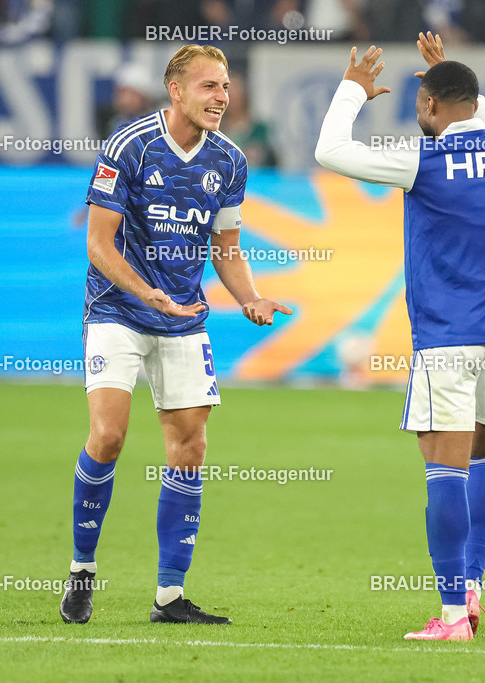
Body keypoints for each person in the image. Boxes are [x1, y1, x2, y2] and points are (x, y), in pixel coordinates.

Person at [315, 33, 485, 641]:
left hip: (447, 342)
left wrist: (351, 90)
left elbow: (330, 150)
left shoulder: (425, 159)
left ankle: (452, 616)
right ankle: (473, 585)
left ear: (432, 104)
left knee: (445, 472)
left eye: (421, 104)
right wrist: (452, 74)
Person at [59, 44, 292, 625]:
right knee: (108, 436)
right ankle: (83, 569)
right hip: (117, 310)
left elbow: (226, 247)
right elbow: (98, 244)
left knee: (190, 448)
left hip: (183, 316)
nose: (222, 97)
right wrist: (146, 292)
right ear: (177, 90)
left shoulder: (230, 161)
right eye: (210, 86)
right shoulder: (129, 146)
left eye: (226, 86)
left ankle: (169, 595)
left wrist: (250, 297)